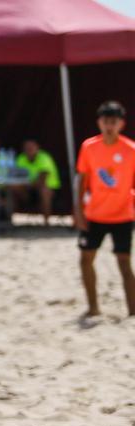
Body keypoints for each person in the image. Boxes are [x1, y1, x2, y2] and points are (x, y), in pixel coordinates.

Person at [75, 101, 135, 318]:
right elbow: (81, 180)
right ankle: (93, 307)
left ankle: (132, 312)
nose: (109, 126)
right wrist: (78, 210)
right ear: (99, 123)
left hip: (122, 215)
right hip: (94, 215)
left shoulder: (131, 150)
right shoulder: (89, 147)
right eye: (105, 121)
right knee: (85, 259)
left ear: (121, 124)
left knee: (124, 263)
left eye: (113, 121)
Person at [14, 138, 60, 226]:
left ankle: (46, 223)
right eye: (27, 147)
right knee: (14, 189)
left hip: (49, 187)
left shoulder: (44, 158)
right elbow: (17, 176)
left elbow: (42, 180)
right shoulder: (21, 158)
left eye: (31, 147)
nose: (29, 149)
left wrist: (28, 185)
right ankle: (9, 220)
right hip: (29, 189)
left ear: (38, 147)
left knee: (44, 191)